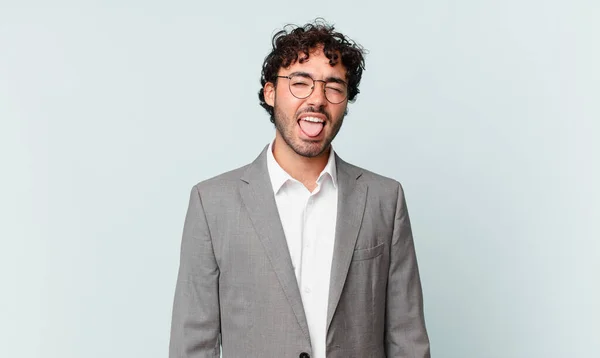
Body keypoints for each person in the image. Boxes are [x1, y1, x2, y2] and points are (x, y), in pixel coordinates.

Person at [169, 19, 430, 358]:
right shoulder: (212, 203)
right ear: (270, 92)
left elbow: (408, 340)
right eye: (300, 83)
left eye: (334, 87)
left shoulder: (384, 199)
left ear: (346, 102)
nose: (317, 100)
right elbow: (193, 345)